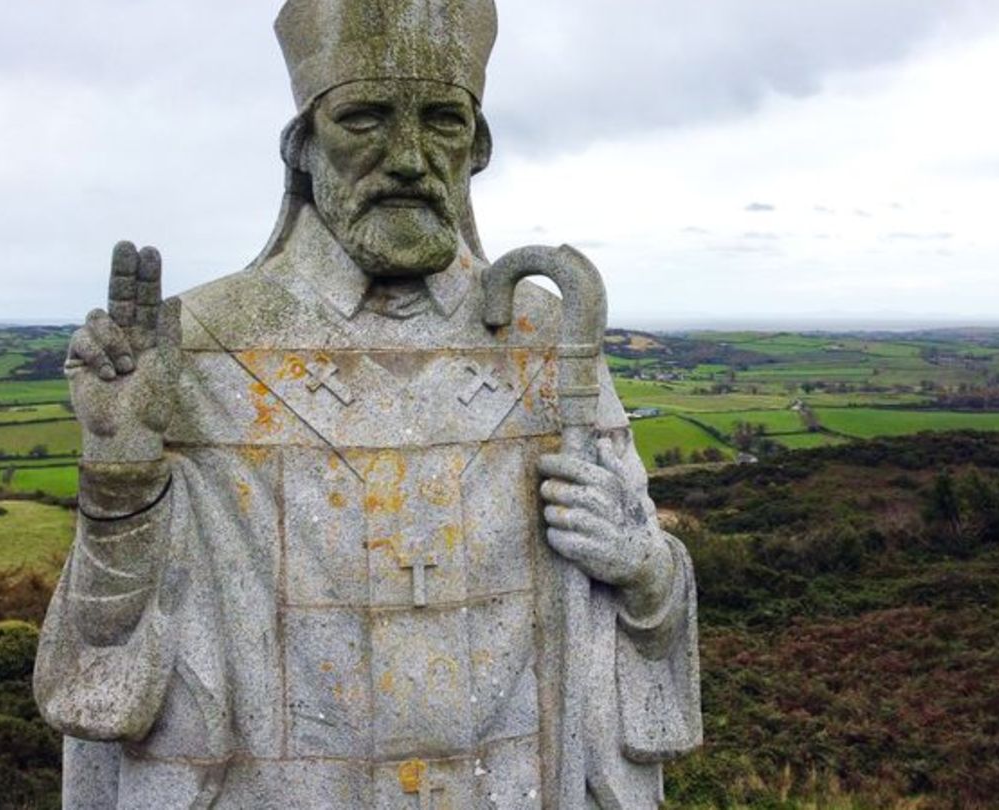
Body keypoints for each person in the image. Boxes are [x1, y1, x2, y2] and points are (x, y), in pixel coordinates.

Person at [35, 1, 700, 806]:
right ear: (304, 146)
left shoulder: (550, 341)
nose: (411, 159)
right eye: (365, 119)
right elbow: (106, 659)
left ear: (477, 148)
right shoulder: (196, 346)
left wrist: (644, 569)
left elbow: (646, 591)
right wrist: (119, 472)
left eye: (445, 122)